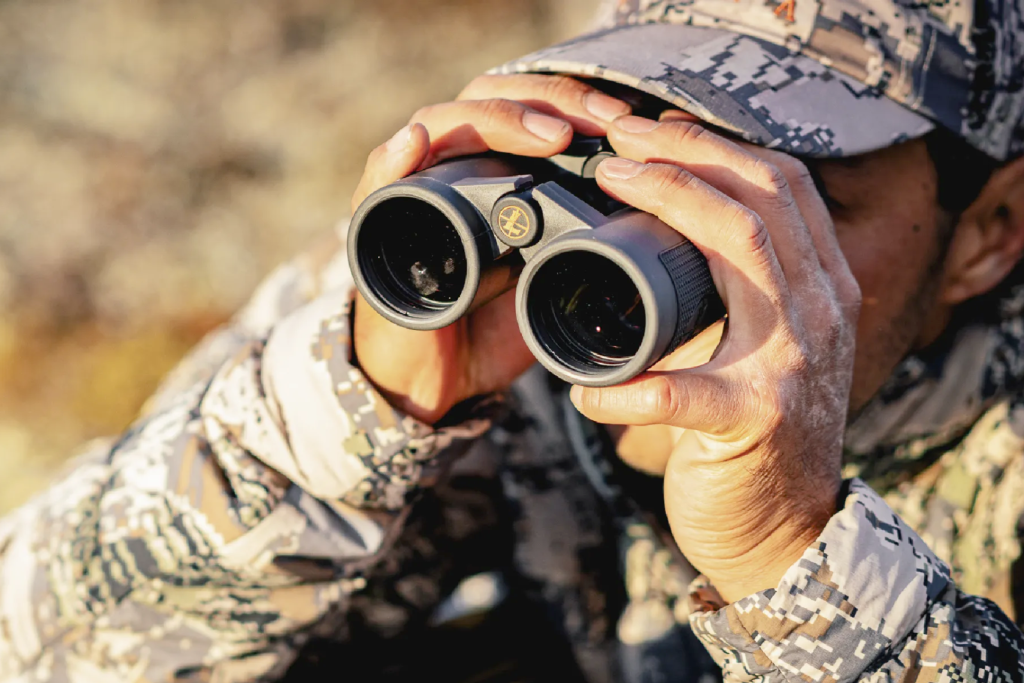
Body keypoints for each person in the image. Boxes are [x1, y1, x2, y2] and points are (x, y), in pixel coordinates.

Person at [3, 0, 1024, 680]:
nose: (691, 243)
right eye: (637, 146)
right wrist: (351, 421)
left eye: (789, 201)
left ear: (988, 233)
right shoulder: (477, 302)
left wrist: (786, 552)